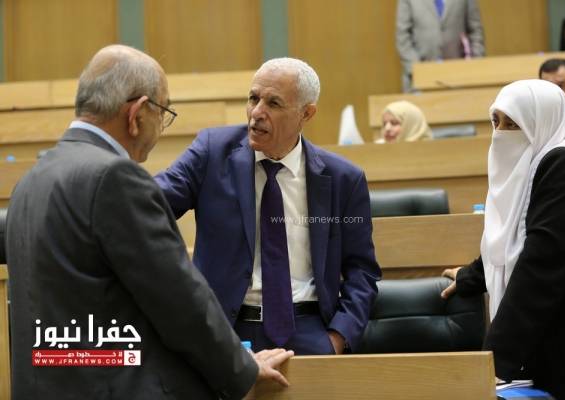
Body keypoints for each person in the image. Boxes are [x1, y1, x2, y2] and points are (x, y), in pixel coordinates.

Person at [6, 44, 293, 400]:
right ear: (138, 114)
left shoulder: (32, 179)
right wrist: (243, 370)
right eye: (163, 112)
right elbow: (178, 300)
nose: (161, 129)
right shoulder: (114, 178)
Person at [155, 57, 381, 356]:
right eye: (253, 98)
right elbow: (151, 203)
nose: (257, 113)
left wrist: (338, 339)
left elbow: (362, 271)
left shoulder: (343, 179)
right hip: (222, 331)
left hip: (309, 331)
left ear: (306, 113)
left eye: (273, 103)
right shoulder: (212, 152)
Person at [440, 79, 565, 399]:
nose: (501, 133)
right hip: (553, 342)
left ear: (542, 122)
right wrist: (472, 276)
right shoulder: (540, 163)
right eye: (496, 121)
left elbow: (541, 266)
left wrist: (492, 362)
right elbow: (514, 235)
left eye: (513, 124)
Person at [395, 0, 485, 91]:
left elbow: (476, 31)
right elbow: (403, 37)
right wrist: (419, 71)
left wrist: (474, 66)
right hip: (418, 81)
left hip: (459, 78)